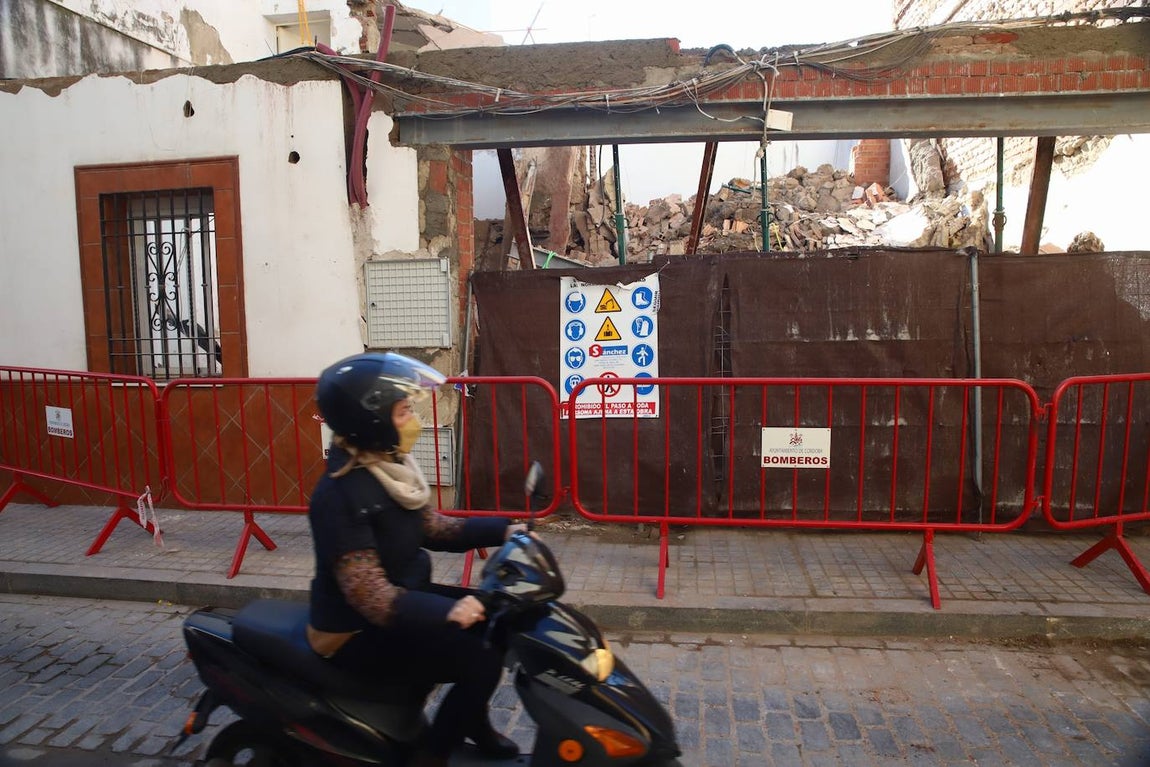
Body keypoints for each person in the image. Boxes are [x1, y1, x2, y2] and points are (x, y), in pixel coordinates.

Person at [307, 352, 525, 767]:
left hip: (405, 595)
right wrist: (448, 611)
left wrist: (505, 530)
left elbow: (433, 527)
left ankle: (470, 721)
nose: (414, 420)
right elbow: (369, 594)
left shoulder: (387, 466)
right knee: (478, 658)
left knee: (496, 622)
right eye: (404, 411)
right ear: (371, 419)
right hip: (353, 629)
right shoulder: (339, 493)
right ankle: (432, 755)